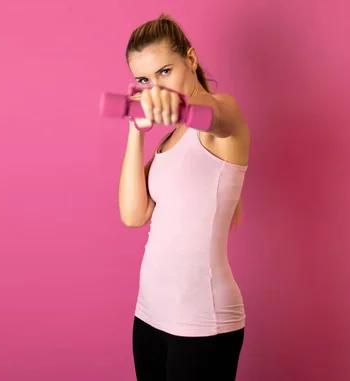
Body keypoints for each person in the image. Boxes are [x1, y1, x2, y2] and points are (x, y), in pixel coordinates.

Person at [118, 13, 250, 381]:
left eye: (164, 71)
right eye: (144, 79)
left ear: (190, 59)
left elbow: (214, 117)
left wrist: (175, 106)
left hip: (201, 320)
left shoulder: (224, 115)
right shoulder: (167, 140)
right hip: (149, 312)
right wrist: (137, 130)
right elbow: (133, 214)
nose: (155, 86)